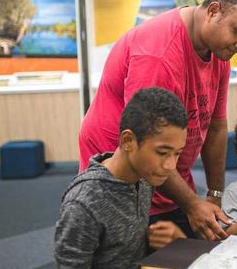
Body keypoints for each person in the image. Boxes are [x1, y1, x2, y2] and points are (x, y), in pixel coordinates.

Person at [78, 0, 237, 241]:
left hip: (167, 171)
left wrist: (214, 195)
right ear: (213, 11)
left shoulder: (220, 51)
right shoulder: (160, 54)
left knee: (193, 249)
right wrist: (192, 204)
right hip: (123, 179)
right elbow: (147, 143)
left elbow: (215, 126)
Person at [55, 88, 188, 268]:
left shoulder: (143, 178)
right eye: (162, 152)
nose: (170, 166)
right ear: (127, 141)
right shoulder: (83, 204)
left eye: (177, 153)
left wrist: (173, 241)